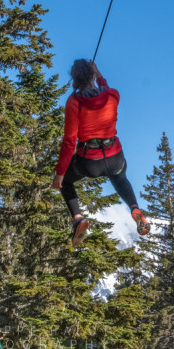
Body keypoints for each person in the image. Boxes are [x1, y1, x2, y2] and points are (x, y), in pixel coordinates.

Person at [52, 59, 150, 246]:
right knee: (120, 177)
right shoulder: (113, 96)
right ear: (92, 76)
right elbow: (104, 88)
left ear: (74, 78)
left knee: (67, 181)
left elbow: (69, 141)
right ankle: (135, 208)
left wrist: (60, 173)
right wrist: (99, 74)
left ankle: (78, 219)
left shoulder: (73, 103)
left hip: (89, 162)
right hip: (114, 157)